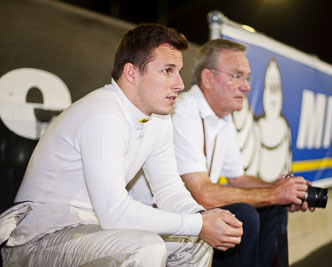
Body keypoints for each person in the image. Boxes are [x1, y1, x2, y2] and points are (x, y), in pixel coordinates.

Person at [0, 24, 243, 267]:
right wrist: (199, 225)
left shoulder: (158, 118)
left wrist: (203, 218)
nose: (179, 83)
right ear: (131, 73)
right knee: (144, 247)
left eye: (178, 71)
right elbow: (114, 212)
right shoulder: (103, 112)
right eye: (167, 71)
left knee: (195, 243)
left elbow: (168, 189)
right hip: (36, 241)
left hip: (91, 231)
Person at [172, 39, 313, 267]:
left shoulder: (223, 118)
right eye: (237, 76)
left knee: (273, 206)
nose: (246, 86)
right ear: (208, 78)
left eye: (247, 78)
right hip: (167, 217)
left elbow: (239, 178)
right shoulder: (184, 111)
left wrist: (284, 191)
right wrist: (273, 193)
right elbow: (203, 195)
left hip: (193, 210)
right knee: (244, 215)